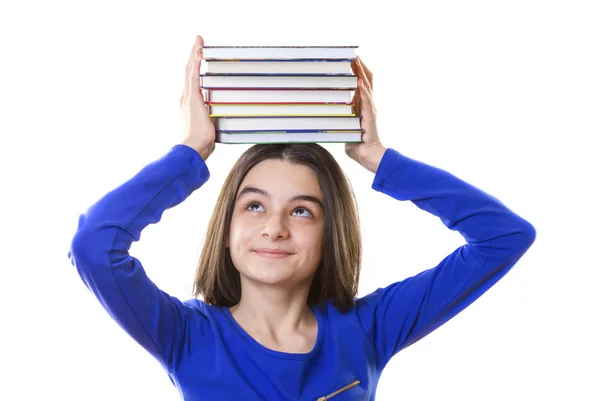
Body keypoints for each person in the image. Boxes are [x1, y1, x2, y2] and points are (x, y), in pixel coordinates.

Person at [68, 35, 536, 400]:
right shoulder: (186, 336)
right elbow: (94, 245)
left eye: (302, 211)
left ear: (330, 233)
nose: (275, 227)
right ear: (226, 232)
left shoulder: (369, 329)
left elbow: (504, 237)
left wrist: (377, 157)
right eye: (254, 206)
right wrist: (192, 151)